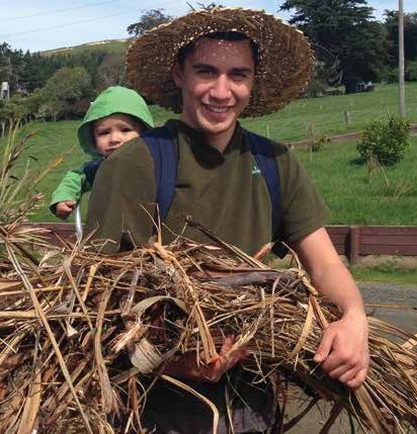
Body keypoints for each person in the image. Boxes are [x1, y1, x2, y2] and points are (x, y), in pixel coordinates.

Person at [85, 8, 369, 433]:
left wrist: (353, 317)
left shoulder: (275, 162)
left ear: (253, 81)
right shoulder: (136, 164)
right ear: (179, 74)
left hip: (252, 405)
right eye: (206, 71)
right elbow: (93, 299)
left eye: (238, 74)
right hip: (152, 411)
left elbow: (325, 263)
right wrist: (174, 361)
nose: (222, 91)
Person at [48, 86, 154, 220]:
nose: (114, 139)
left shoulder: (156, 164)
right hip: (107, 235)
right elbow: (75, 178)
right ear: (93, 140)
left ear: (144, 132)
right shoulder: (98, 169)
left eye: (125, 130)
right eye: (104, 133)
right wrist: (64, 198)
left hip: (157, 234)